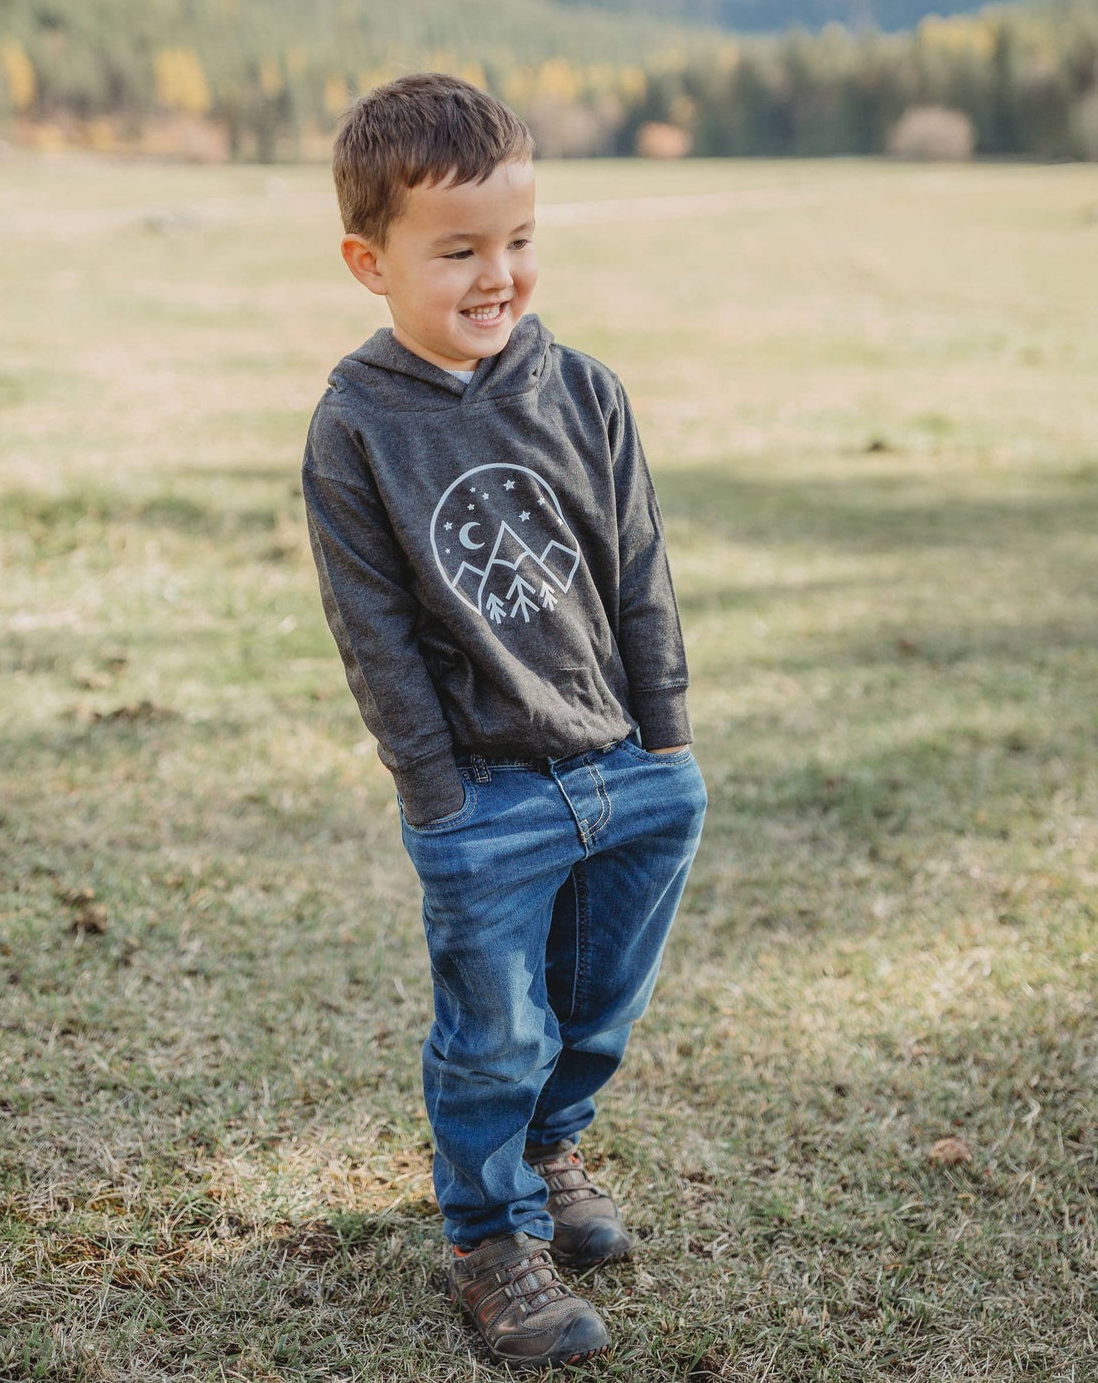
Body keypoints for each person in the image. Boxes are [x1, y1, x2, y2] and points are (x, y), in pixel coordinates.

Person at [301, 73, 707, 1369]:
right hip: (485, 795)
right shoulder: (357, 425)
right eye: (459, 250)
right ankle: (487, 1235)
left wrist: (667, 739)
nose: (499, 276)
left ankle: (548, 1154)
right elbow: (375, 631)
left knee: (592, 1013)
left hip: (624, 768)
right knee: (494, 1034)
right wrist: (436, 795)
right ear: (370, 262)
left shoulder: (583, 390)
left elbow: (636, 569)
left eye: (521, 242)